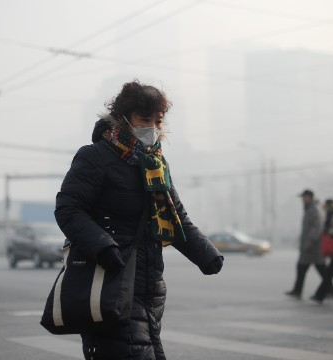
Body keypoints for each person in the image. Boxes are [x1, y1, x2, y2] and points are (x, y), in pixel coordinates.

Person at [55, 80, 224, 359]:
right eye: (145, 120)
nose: (153, 128)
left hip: (149, 286)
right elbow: (69, 209)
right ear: (124, 118)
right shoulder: (95, 156)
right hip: (110, 279)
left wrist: (206, 254)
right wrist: (104, 248)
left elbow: (174, 216)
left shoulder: (155, 163)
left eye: (158, 121)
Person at [285, 189, 328, 299]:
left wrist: (310, 240)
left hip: (313, 247)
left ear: (309, 197)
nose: (302, 200)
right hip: (309, 247)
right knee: (303, 268)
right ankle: (297, 290)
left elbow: (316, 227)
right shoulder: (309, 209)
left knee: (320, 269)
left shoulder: (314, 210)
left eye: (304, 197)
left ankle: (329, 288)